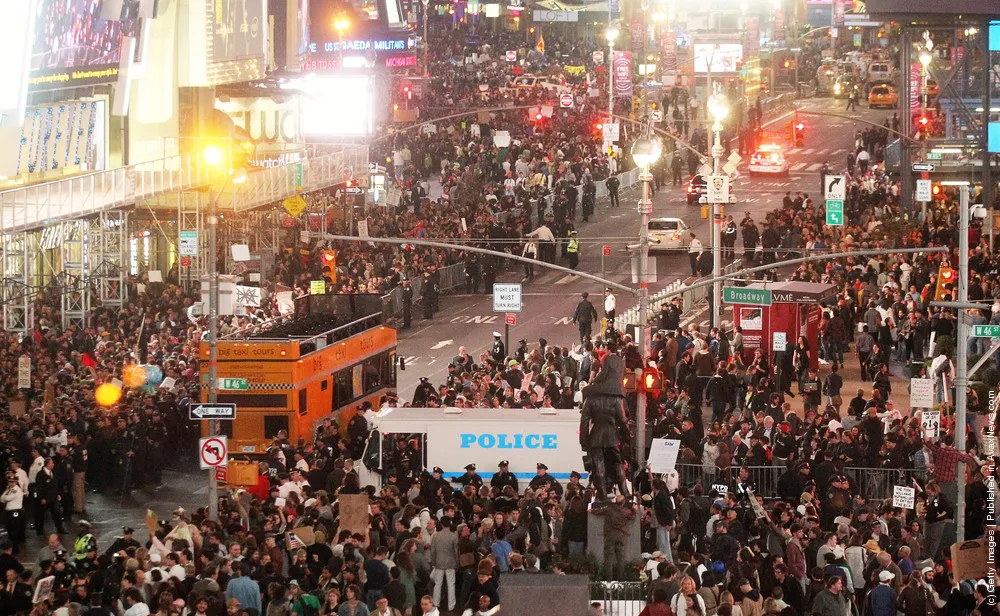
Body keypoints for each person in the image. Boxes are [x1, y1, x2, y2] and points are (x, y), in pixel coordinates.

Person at [591, 495, 636, 581]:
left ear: (616, 501)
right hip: (621, 535)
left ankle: (609, 580)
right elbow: (633, 517)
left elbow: (598, 511)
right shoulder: (626, 511)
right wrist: (634, 509)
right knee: (621, 558)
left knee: (608, 558)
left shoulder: (609, 509)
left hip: (610, 534)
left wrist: (591, 510)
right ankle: (620, 580)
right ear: (623, 502)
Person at [430, 516, 459, 612]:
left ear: (441, 524)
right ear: (450, 524)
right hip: (451, 563)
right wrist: (457, 563)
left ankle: (435, 604)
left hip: (438, 562)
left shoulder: (435, 536)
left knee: (437, 584)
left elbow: (433, 551)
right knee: (451, 584)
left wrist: (433, 562)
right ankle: (451, 606)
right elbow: (456, 552)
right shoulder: (454, 536)